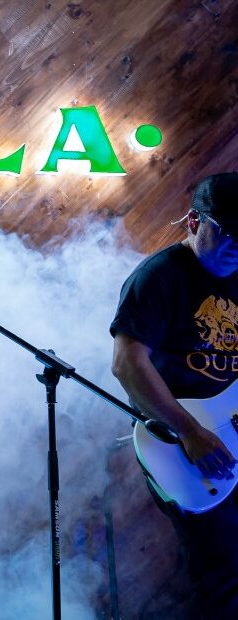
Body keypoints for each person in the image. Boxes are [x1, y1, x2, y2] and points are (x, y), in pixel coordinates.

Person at [110, 172, 238, 618]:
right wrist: (190, 431)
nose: (237, 246)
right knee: (223, 570)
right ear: (193, 221)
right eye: (228, 233)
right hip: (179, 444)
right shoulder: (159, 277)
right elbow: (127, 364)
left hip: (230, 431)